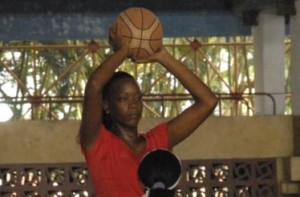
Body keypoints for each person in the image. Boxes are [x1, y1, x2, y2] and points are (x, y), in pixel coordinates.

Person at [79, 21, 218, 197]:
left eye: (138, 98)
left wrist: (163, 56)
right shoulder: (98, 143)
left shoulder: (157, 141)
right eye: (123, 99)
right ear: (106, 106)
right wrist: (123, 51)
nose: (133, 105)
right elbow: (94, 85)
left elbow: (208, 101)